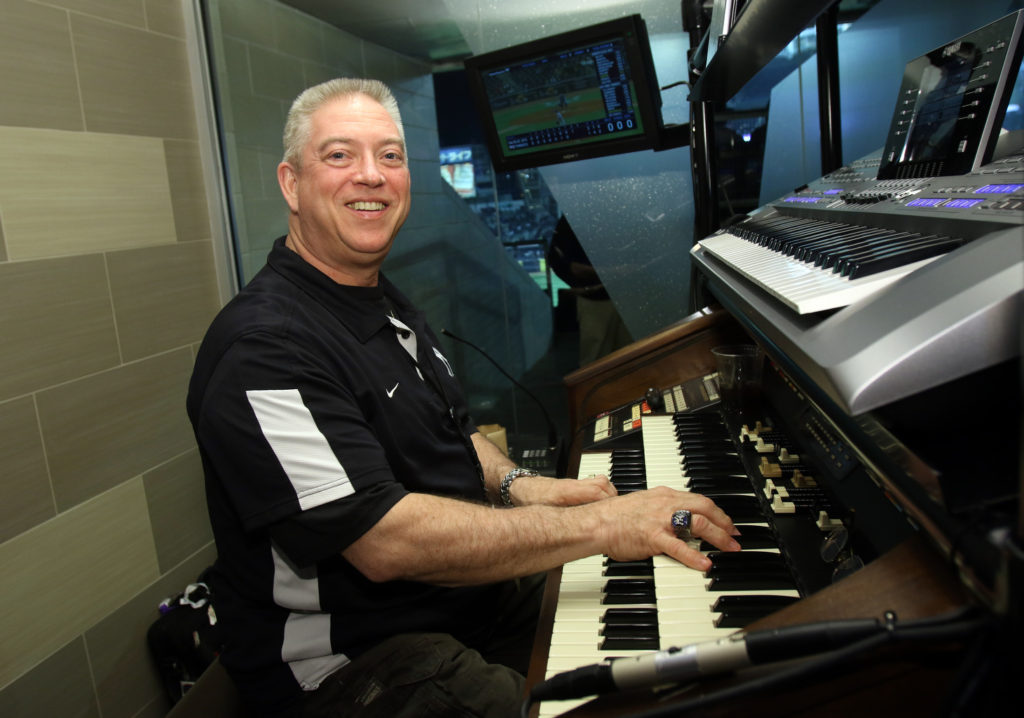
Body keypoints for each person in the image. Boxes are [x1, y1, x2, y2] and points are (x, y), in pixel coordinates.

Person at [187, 78, 741, 718]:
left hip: (458, 604)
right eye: (340, 155)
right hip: (355, 662)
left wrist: (518, 485)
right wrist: (602, 524)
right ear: (292, 183)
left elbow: (451, 432)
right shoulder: (264, 348)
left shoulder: (381, 297)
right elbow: (384, 541)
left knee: (674, 610)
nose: (371, 175)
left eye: (390, 156)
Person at [546, 214, 633, 365]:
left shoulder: (624, 209)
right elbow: (562, 262)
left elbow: (562, 262)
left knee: (630, 358)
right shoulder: (575, 215)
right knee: (597, 361)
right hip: (599, 299)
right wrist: (614, 272)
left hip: (626, 296)